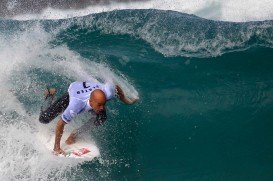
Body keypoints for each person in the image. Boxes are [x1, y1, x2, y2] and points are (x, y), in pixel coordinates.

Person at [39, 81, 138, 155]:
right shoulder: (76, 105)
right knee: (44, 119)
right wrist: (57, 147)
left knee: (102, 117)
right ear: (90, 103)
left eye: (104, 104)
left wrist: (126, 101)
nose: (102, 107)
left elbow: (114, 86)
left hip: (92, 92)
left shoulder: (108, 92)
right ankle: (50, 94)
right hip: (74, 92)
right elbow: (60, 124)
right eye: (99, 105)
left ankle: (74, 134)